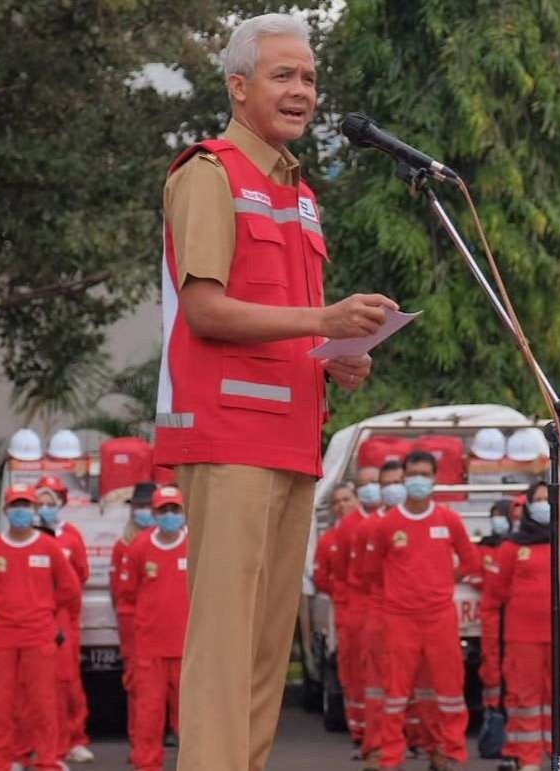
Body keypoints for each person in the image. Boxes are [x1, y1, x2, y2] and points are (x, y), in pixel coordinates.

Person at [155, 11, 392, 769]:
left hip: (291, 441)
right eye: (283, 75)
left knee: (265, 652)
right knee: (224, 646)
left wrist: (335, 355)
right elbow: (205, 308)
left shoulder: (301, 194)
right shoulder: (209, 172)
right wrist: (322, 317)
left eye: (310, 78)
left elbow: (287, 325)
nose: (302, 91)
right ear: (237, 85)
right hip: (229, 436)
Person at [363, 450, 481, 771]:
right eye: (412, 473)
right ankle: (390, 758)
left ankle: (450, 753)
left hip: (440, 617)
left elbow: (470, 561)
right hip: (400, 619)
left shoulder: (448, 519)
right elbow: (371, 571)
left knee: (449, 692)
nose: (418, 479)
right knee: (396, 695)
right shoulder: (388, 524)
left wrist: (443, 580)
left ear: (434, 478)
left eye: (424, 474)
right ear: (403, 477)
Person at [484, 482, 560, 771]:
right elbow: (497, 589)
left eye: (548, 499)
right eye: (537, 499)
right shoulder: (512, 546)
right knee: (525, 699)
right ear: (527, 507)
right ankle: (527, 758)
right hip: (522, 637)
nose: (543, 505)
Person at [0, 483, 83, 771]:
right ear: (6, 511)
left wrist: (47, 610)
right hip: (0, 637)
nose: (21, 511)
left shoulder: (49, 547)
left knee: (43, 703)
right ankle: (1, 761)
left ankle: (46, 760)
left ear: (32, 511)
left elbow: (71, 590)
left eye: (26, 506)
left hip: (39, 636)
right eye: (15, 506)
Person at [121, 485, 191, 771]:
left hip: (188, 648)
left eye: (175, 510)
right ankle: (147, 765)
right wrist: (131, 646)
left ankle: (196, 764)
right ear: (154, 513)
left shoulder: (196, 544)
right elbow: (126, 598)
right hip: (150, 649)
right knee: (148, 714)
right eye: (164, 511)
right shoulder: (139, 546)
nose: (170, 516)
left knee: (189, 716)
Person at [33, 475, 93, 764]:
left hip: (64, 616)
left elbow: (80, 574)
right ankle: (46, 743)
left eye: (50, 502)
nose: (45, 507)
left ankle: (75, 738)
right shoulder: (30, 536)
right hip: (36, 615)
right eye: (40, 502)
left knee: (68, 680)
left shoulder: (71, 536)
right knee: (40, 683)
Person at [353, 460, 406, 769]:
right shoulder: (369, 527)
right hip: (378, 611)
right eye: (388, 483)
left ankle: (422, 744)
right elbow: (363, 574)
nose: (394, 488)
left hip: (413, 615)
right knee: (375, 688)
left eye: (398, 480)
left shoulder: (432, 520)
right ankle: (376, 749)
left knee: (412, 689)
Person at [328, 468, 380, 744]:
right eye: (365, 484)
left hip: (383, 607)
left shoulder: (386, 521)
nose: (343, 505)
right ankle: (362, 730)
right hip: (355, 608)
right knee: (358, 674)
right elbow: (334, 573)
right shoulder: (347, 529)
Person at [111, 482, 158, 743]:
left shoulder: (173, 541)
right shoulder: (124, 545)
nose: (143, 511)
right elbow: (119, 591)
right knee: (137, 681)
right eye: (138, 506)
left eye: (147, 506)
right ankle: (139, 737)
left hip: (164, 624)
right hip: (135, 623)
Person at [312, 483, 357, 737]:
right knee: (348, 669)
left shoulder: (374, 530)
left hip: (376, 609)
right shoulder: (328, 540)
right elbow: (320, 578)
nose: (342, 505)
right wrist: (342, 590)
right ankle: (358, 727)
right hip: (343, 611)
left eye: (347, 499)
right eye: (337, 502)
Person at [478, 500, 513, 715]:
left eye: (501, 515)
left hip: (514, 612)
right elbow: (475, 573)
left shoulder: (516, 546)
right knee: (491, 664)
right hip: (492, 612)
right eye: (494, 515)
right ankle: (492, 710)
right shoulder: (485, 546)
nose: (497, 520)